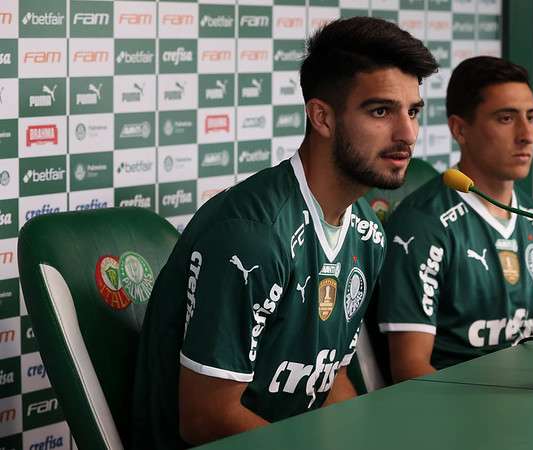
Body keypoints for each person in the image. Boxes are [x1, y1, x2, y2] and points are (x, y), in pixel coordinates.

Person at [131, 17, 437, 448]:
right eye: (381, 111)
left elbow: (328, 383)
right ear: (322, 117)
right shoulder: (251, 237)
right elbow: (206, 420)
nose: (407, 133)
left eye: (413, 112)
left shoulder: (367, 232)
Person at [376, 56, 533, 383]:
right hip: (454, 416)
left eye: (531, 117)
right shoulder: (423, 224)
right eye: (506, 118)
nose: (526, 135)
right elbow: (409, 370)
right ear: (460, 129)